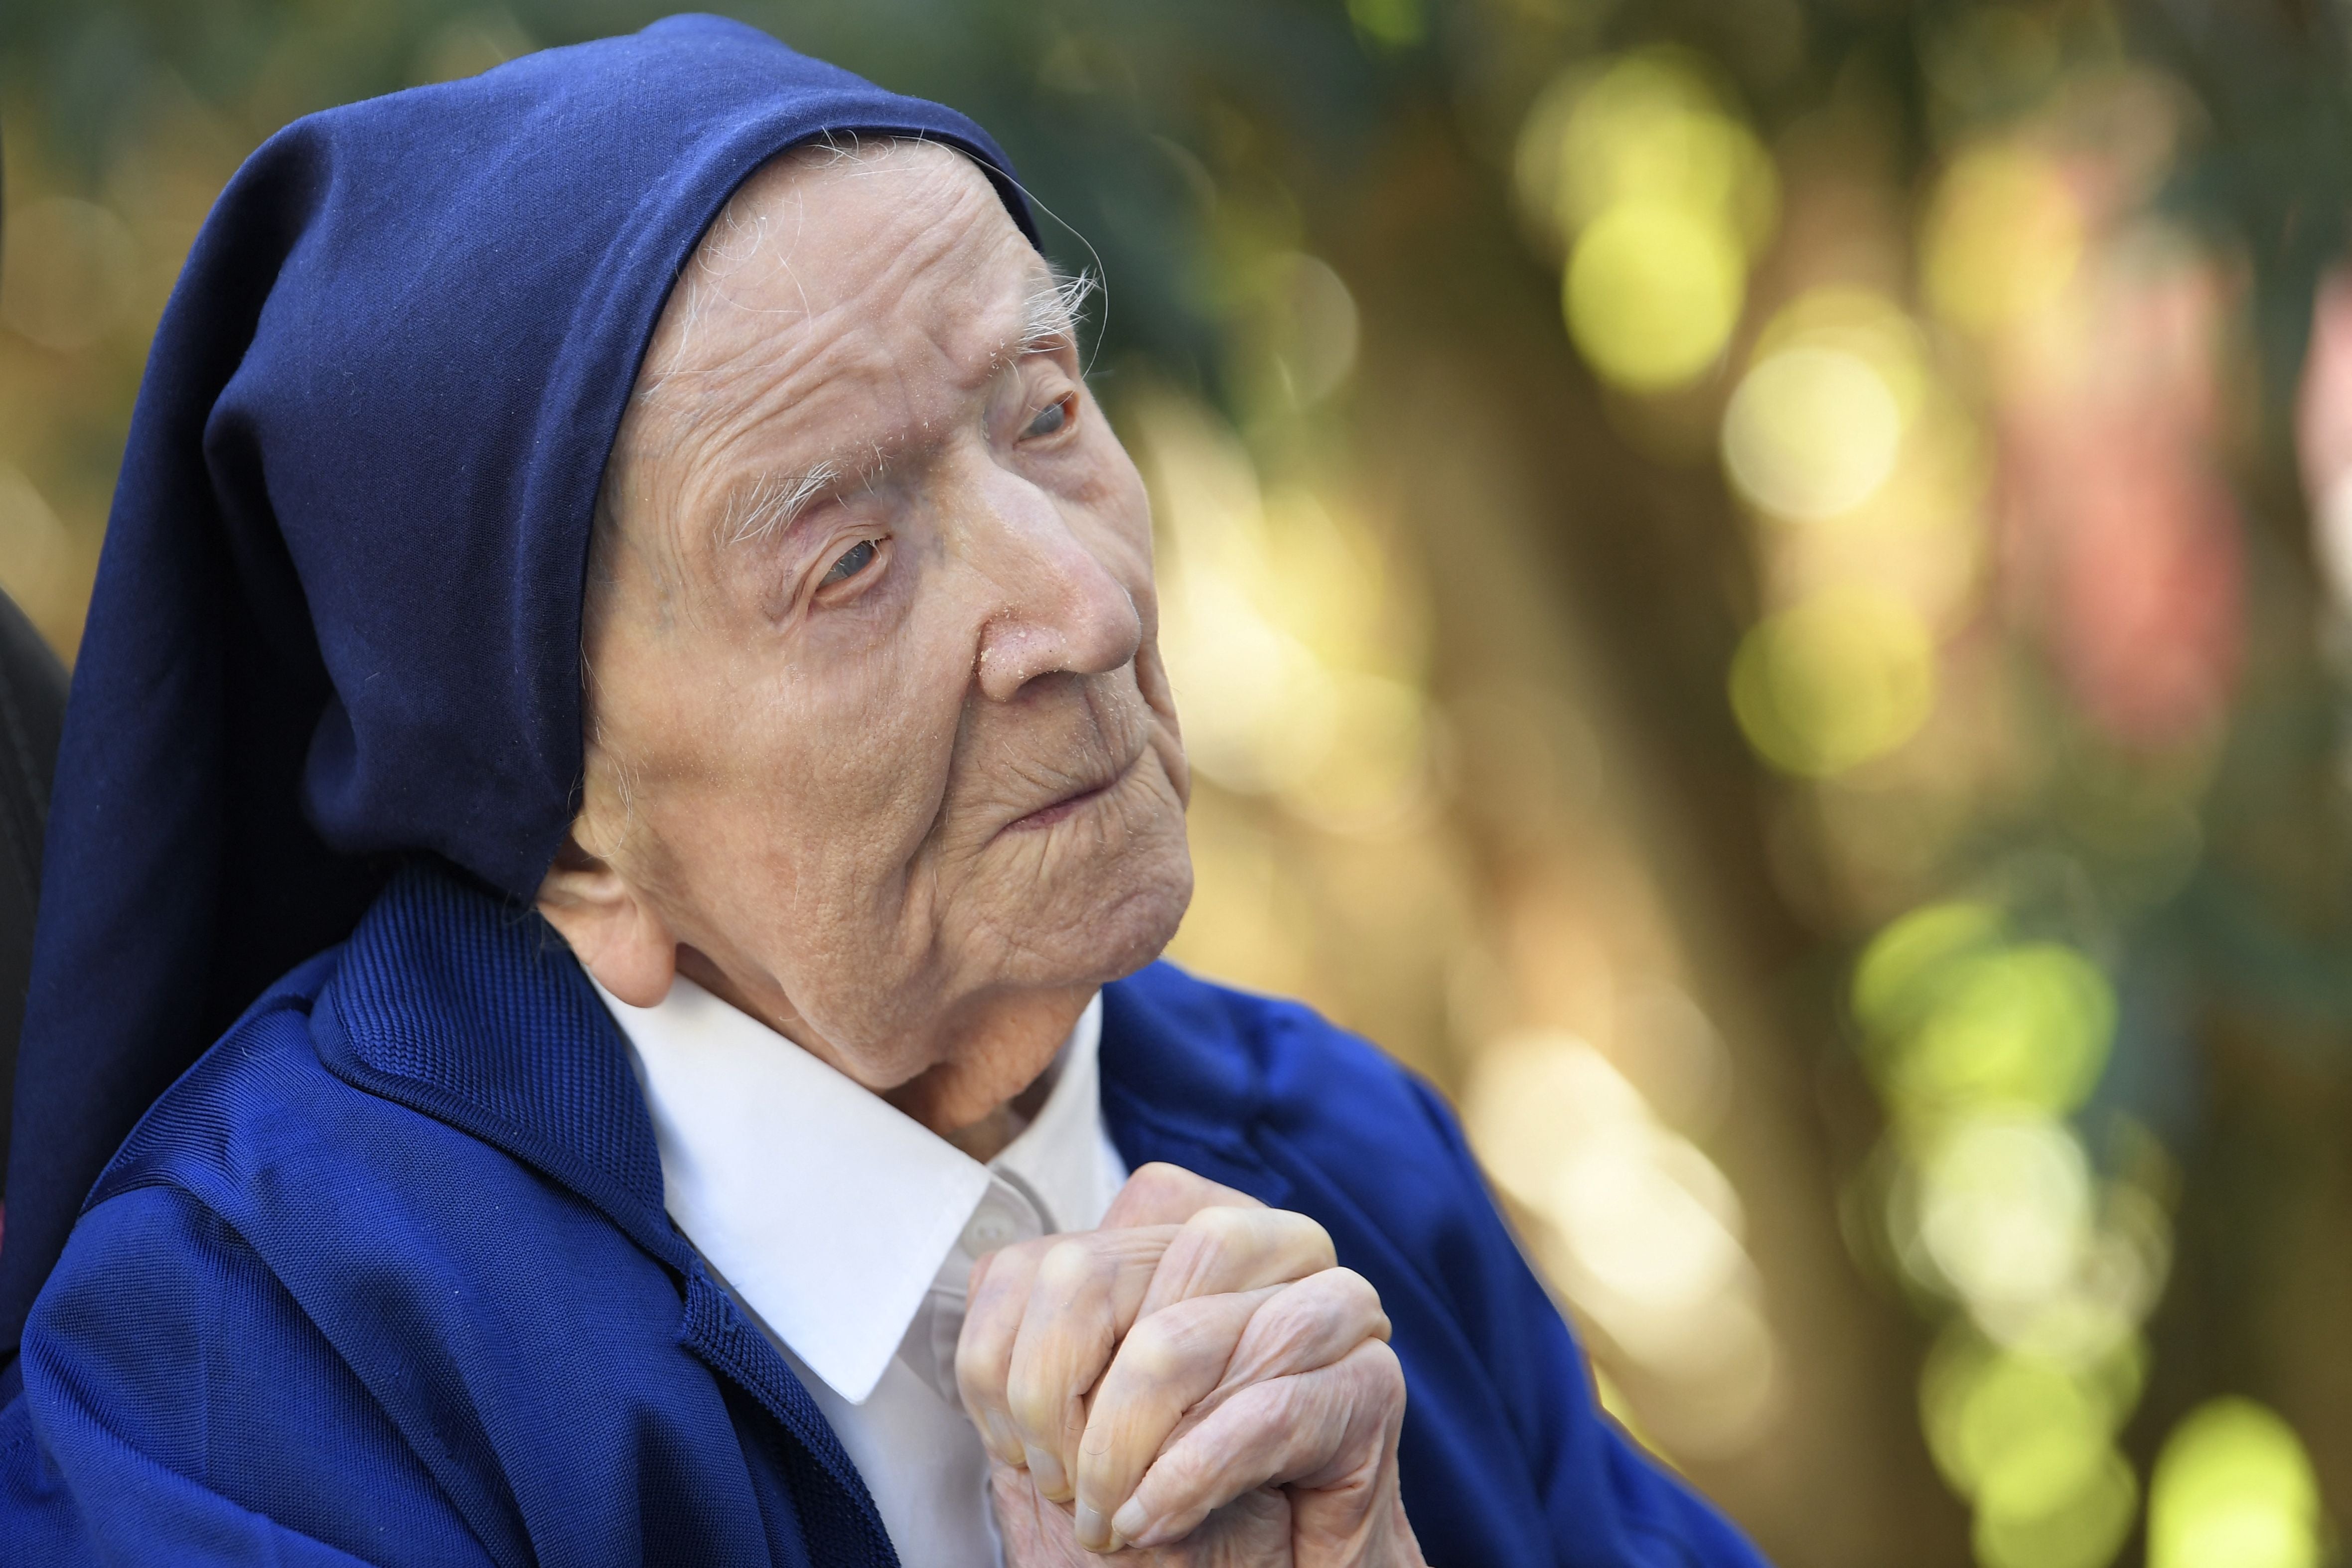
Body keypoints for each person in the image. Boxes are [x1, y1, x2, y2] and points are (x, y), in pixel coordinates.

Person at [0, 17, 1769, 1566]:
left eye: (1047, 418)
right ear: (571, 831)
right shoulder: (264, 1366)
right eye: (851, 557)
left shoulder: (1329, 1147)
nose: (1080, 611)